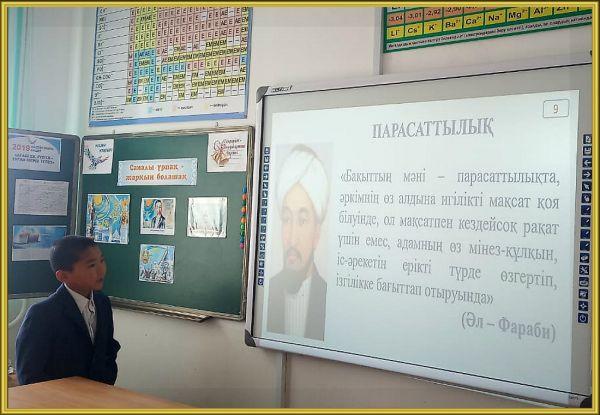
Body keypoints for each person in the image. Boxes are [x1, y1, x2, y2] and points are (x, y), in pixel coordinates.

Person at [15, 235, 121, 385]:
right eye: (91, 265)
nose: (101, 270)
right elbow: (29, 375)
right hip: (58, 398)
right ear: (63, 276)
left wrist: (104, 385)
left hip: (97, 394)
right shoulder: (42, 314)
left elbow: (108, 350)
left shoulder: (102, 302)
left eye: (102, 261)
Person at [267, 144, 329, 340]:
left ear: (317, 233)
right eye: (286, 219)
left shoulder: (328, 297)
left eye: (302, 221)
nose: (292, 239)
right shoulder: (266, 293)